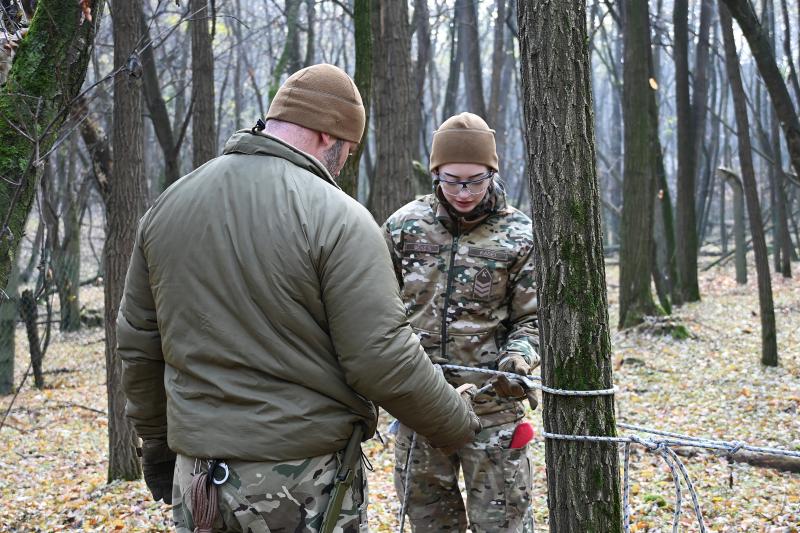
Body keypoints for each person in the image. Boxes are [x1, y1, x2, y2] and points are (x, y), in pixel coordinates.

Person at [117, 64, 480, 533]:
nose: (345, 160)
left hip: (199, 480)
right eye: (348, 149)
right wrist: (455, 422)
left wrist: (157, 447)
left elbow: (139, 345)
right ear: (329, 137)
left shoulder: (169, 205)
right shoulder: (339, 219)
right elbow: (380, 356)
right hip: (301, 482)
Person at [383, 112, 540, 532]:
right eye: (452, 180)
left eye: (476, 180)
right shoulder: (403, 227)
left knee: (503, 524)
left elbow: (533, 318)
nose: (464, 192)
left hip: (494, 408)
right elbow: (379, 311)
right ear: (435, 173)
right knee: (430, 524)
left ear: (492, 172)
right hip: (421, 408)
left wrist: (519, 359)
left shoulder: (519, 234)